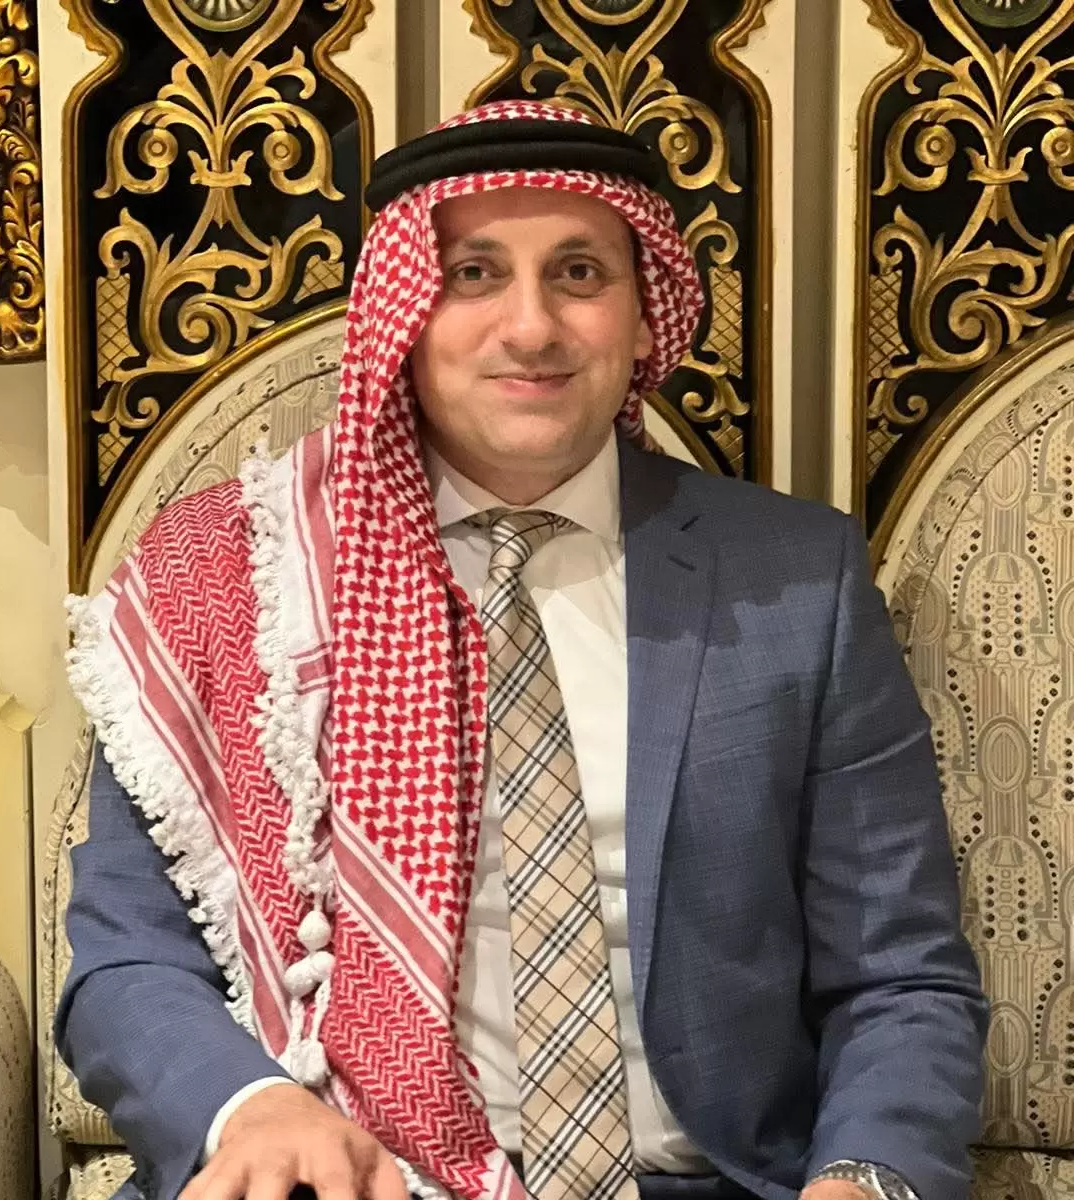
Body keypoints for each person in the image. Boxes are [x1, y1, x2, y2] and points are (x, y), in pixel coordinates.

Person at [60, 100, 987, 1200]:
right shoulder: (234, 576)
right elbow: (126, 958)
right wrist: (251, 1109)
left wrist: (866, 1180)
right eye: (474, 274)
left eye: (580, 273)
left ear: (645, 313)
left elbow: (901, 980)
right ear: (402, 312)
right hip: (344, 1181)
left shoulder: (798, 583)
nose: (533, 327)